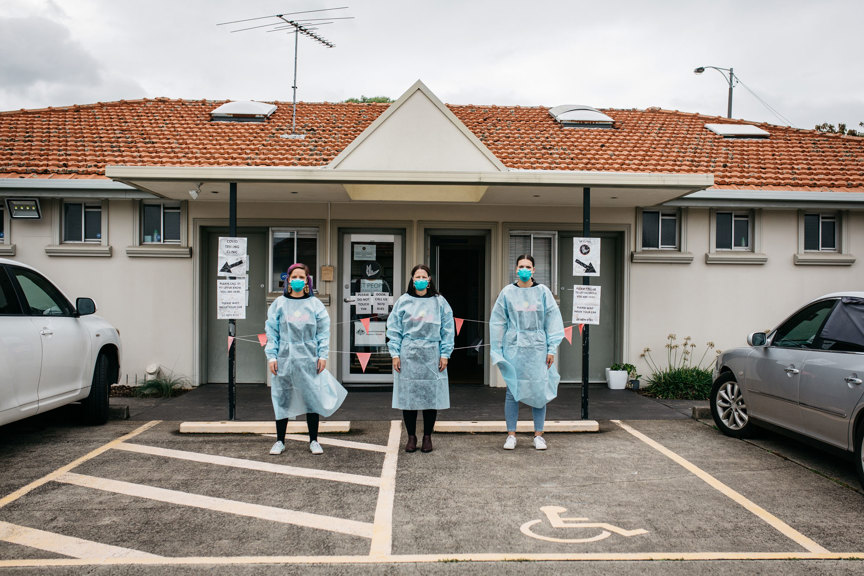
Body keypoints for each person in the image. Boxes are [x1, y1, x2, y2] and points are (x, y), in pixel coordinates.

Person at [265, 263, 347, 456]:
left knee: (311, 397)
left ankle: (314, 440)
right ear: (288, 280)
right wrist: (272, 357)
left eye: (302, 277)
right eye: (294, 277)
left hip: (309, 357)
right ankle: (280, 440)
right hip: (284, 358)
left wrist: (322, 355)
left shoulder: (314, 305)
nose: (298, 281)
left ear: (308, 281)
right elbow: (272, 332)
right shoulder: (279, 304)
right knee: (283, 397)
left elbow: (323, 332)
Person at [490, 254, 565, 451]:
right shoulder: (507, 293)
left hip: (538, 347)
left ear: (534, 270)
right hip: (514, 347)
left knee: (538, 389)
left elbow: (553, 321)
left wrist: (551, 349)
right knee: (513, 391)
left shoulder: (542, 292)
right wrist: (498, 350)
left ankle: (539, 435)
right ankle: (511, 434)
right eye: (521, 266)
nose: (524, 269)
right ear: (515, 269)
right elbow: (498, 322)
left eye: (528, 266)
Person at [386, 264, 455, 453]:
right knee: (409, 397)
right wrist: (395, 354)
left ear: (429, 279)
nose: (421, 279)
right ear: (412, 279)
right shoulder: (404, 301)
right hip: (409, 353)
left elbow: (448, 329)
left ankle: (427, 436)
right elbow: (394, 328)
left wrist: (445, 354)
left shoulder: (439, 302)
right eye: (417, 276)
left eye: (424, 276)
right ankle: (411, 436)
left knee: (430, 398)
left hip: (432, 353)